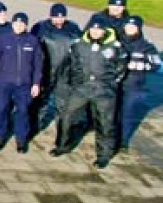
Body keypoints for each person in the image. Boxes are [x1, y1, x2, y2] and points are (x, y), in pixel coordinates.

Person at [52, 16, 127, 168]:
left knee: (105, 122)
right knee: (67, 116)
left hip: (104, 91)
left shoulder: (115, 47)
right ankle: (63, 145)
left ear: (104, 30)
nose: (95, 32)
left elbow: (121, 69)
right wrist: (77, 81)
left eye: (99, 29)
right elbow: (72, 64)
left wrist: (109, 83)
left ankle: (104, 155)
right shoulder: (80, 45)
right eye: (93, 29)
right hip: (82, 89)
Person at [0, 13, 42, 153]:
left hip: (24, 84)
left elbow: (38, 65)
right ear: (12, 25)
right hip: (4, 83)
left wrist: (36, 83)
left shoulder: (33, 41)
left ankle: (21, 140)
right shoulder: (3, 39)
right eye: (16, 24)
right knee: (1, 110)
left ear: (26, 25)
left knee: (23, 112)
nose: (19, 26)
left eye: (22, 24)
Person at [31, 3, 82, 130]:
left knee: (63, 101)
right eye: (56, 17)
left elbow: (79, 50)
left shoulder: (73, 28)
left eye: (62, 17)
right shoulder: (40, 27)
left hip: (65, 71)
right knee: (40, 99)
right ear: (51, 16)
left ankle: (62, 128)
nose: (59, 20)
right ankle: (35, 124)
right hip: (47, 69)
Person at [118, 16, 160, 152]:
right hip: (116, 84)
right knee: (111, 112)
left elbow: (155, 65)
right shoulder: (117, 43)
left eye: (133, 27)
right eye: (128, 26)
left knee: (128, 114)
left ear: (138, 29)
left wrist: (139, 65)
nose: (129, 29)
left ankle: (123, 141)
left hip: (134, 85)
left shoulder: (147, 47)